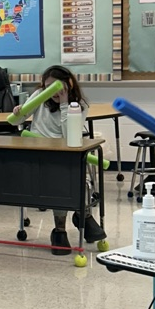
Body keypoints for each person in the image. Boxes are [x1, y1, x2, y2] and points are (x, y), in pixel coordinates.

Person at [14, 64, 106, 255]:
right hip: (39, 153)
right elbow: (15, 122)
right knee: (60, 181)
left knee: (75, 178)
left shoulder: (80, 105)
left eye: (56, 87)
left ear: (68, 84)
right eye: (48, 87)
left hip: (65, 152)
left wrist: (64, 104)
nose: (52, 92)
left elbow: (68, 135)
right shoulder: (40, 95)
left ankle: (83, 215)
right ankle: (61, 229)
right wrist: (19, 113)